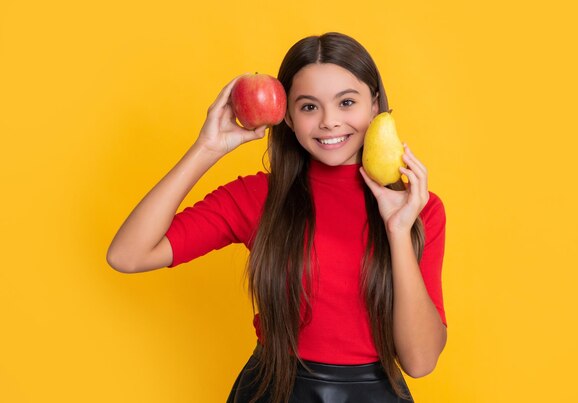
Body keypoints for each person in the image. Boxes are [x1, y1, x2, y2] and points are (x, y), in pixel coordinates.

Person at [107, 31, 447, 403]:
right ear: (287, 116)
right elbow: (127, 255)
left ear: (375, 104)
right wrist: (206, 148)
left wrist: (398, 230)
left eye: (347, 102)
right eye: (309, 107)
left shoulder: (420, 209)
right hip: (274, 391)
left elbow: (420, 361)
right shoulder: (257, 197)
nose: (330, 121)